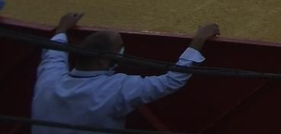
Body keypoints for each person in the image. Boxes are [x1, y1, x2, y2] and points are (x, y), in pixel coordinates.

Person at [32, 12, 220, 131]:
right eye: (119, 47)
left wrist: (62, 28)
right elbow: (171, 81)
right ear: (104, 59)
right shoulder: (115, 89)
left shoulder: (49, 79)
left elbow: (53, 55)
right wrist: (199, 40)